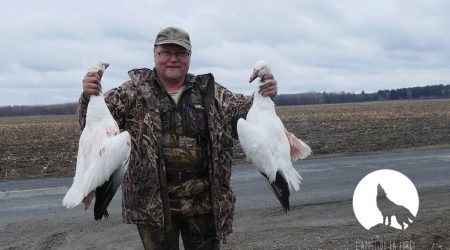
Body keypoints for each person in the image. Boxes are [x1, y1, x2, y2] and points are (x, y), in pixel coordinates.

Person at [80, 26, 277, 250]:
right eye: (166, 52)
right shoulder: (130, 93)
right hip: (153, 207)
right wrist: (88, 97)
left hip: (204, 205)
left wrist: (264, 92)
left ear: (189, 57)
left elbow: (245, 114)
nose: (173, 58)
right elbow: (91, 127)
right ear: (155, 54)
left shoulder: (209, 92)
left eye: (180, 53)